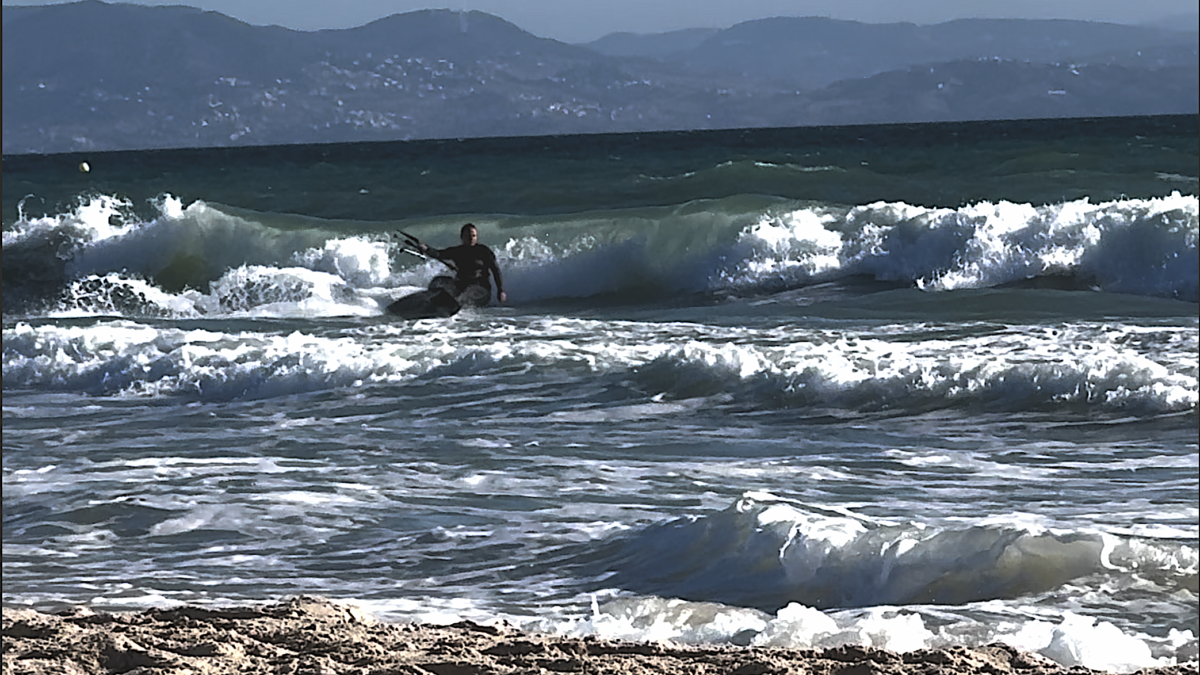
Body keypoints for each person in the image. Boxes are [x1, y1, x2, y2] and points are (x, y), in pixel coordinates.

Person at [418, 223, 506, 306]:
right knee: (437, 281)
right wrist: (426, 249)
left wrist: (500, 290)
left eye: (474, 236)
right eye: (468, 236)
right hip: (461, 287)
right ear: (462, 237)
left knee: (467, 294)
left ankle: (454, 303)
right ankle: (433, 303)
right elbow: (439, 254)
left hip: (481, 289)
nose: (471, 238)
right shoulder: (457, 251)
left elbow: (496, 270)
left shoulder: (484, 251)